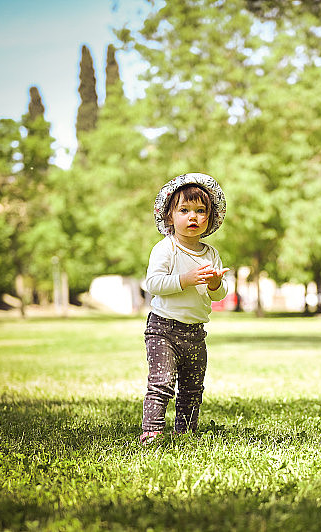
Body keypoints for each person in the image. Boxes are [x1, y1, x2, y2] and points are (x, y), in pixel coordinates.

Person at [140, 173, 229, 445]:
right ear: (169, 216)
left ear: (210, 218)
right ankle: (152, 432)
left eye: (201, 211)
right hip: (163, 329)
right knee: (162, 382)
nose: (193, 217)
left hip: (195, 333)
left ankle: (186, 432)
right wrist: (184, 280)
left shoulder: (210, 253)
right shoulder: (166, 249)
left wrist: (216, 284)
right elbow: (152, 283)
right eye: (184, 210)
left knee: (192, 387)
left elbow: (220, 294)